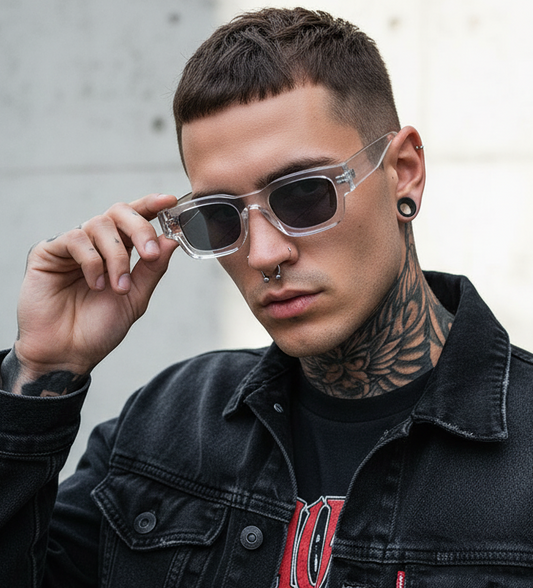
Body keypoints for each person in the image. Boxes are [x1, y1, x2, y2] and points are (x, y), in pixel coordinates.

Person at [1, 6, 533, 588]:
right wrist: (42, 370)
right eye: (219, 218)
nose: (262, 254)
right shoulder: (164, 427)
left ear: (403, 172)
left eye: (304, 195)